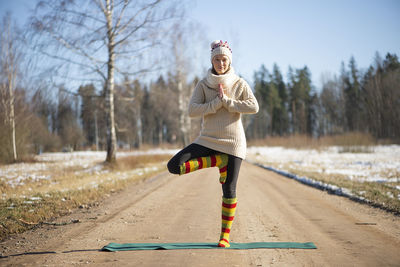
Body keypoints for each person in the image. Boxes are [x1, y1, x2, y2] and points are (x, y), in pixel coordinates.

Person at [167, 40, 259, 248]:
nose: (221, 63)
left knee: (229, 189)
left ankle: (224, 236)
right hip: (208, 138)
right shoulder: (203, 84)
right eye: (217, 59)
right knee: (174, 166)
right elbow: (192, 111)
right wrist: (216, 103)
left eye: (224, 59)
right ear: (212, 60)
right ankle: (218, 160)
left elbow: (254, 107)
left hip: (233, 142)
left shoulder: (239, 83)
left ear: (229, 60)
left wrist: (228, 102)